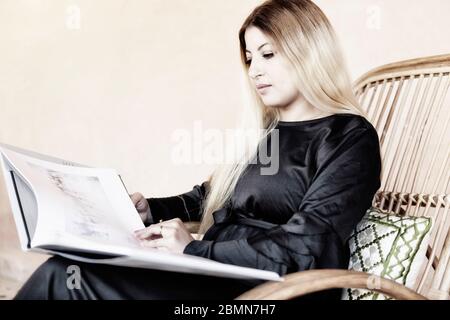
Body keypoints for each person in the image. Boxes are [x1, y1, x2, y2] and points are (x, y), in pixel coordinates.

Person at [15, 0, 381, 300]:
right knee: (63, 269)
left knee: (66, 280)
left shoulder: (348, 137)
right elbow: (210, 196)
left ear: (308, 51)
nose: (254, 71)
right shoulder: (267, 132)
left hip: (269, 293)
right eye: (250, 58)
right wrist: (152, 210)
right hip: (212, 273)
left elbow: (309, 244)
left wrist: (194, 249)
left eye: (268, 54)